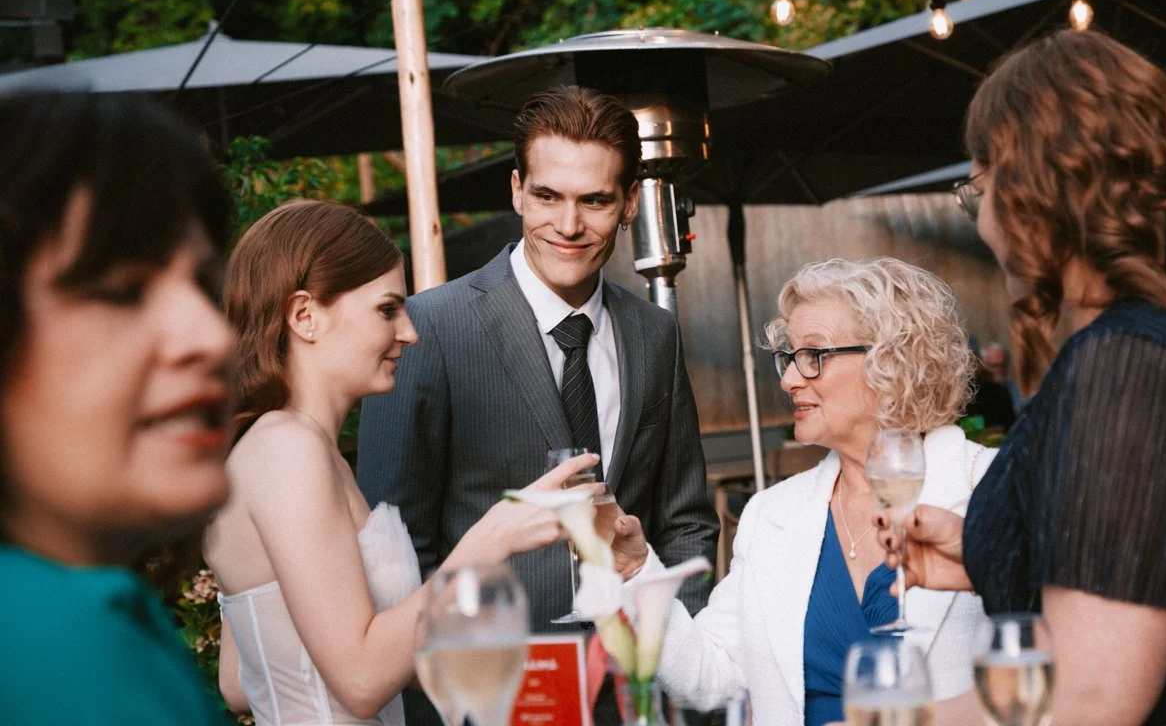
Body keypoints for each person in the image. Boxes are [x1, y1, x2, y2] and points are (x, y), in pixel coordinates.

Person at [879, 29, 1166, 726]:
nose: (983, 221)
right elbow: (1156, 557)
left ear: (1035, 192)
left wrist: (889, 720)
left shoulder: (1125, 366)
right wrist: (987, 549)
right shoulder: (1162, 334)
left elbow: (1092, 695)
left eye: (979, 190)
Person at [204, 200, 599, 724]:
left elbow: (238, 679)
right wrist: (487, 544)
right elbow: (362, 682)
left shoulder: (281, 446)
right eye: (387, 310)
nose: (409, 332)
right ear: (305, 316)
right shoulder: (288, 452)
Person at [355, 86, 718, 635]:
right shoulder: (429, 328)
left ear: (629, 203)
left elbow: (685, 520)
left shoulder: (654, 333)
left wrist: (679, 656)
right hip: (494, 687)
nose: (568, 225)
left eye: (594, 200)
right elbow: (394, 548)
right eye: (548, 196)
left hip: (635, 688)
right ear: (517, 192)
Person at [611, 258, 995, 726]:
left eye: (815, 355)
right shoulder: (772, 514)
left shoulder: (991, 488)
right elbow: (709, 674)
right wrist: (634, 569)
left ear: (893, 360)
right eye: (789, 357)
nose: (790, 379)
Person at [0, 92, 233, 724]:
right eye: (121, 292)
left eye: (203, 286)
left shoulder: (95, 606)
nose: (212, 336)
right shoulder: (55, 646)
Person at [980, 341, 1023, 414]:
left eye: (1002, 365)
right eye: (994, 366)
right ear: (984, 367)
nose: (999, 370)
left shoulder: (1013, 390)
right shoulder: (977, 393)